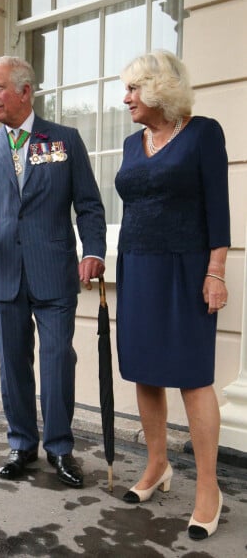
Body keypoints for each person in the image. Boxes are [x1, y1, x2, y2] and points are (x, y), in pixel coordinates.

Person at [0, 56, 106, 488]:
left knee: (58, 360)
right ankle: (22, 445)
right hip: (3, 273)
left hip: (54, 272)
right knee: (12, 365)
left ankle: (60, 449)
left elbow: (90, 206)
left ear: (25, 92)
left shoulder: (64, 140)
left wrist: (93, 250)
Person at [115, 50, 230, 541]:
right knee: (144, 369)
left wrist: (216, 270)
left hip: (186, 269)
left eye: (134, 90)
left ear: (160, 90)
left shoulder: (204, 132)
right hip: (137, 265)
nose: (126, 100)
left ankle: (208, 487)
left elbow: (219, 206)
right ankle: (157, 465)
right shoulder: (129, 143)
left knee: (192, 376)